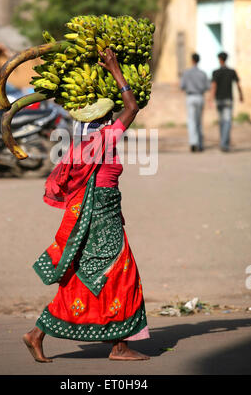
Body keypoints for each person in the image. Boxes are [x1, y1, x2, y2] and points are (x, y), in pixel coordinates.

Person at [22, 48, 150, 362]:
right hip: (100, 217)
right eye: (108, 115)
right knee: (119, 274)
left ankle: (38, 333)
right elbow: (132, 106)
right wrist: (115, 69)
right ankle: (118, 347)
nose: (112, 117)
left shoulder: (83, 143)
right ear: (101, 120)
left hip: (100, 213)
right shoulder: (103, 139)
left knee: (92, 276)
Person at [209, 52, 244, 152]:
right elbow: (238, 85)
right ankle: (225, 143)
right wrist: (241, 95)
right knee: (227, 122)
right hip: (228, 100)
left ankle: (224, 143)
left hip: (219, 100)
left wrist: (210, 98)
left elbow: (214, 86)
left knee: (222, 122)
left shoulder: (216, 72)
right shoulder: (232, 71)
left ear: (219, 59)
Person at [180, 53, 210, 152]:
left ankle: (193, 142)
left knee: (191, 120)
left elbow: (182, 86)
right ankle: (200, 144)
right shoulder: (203, 73)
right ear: (199, 60)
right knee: (199, 121)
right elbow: (207, 87)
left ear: (192, 60)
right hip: (200, 97)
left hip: (190, 97)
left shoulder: (186, 73)